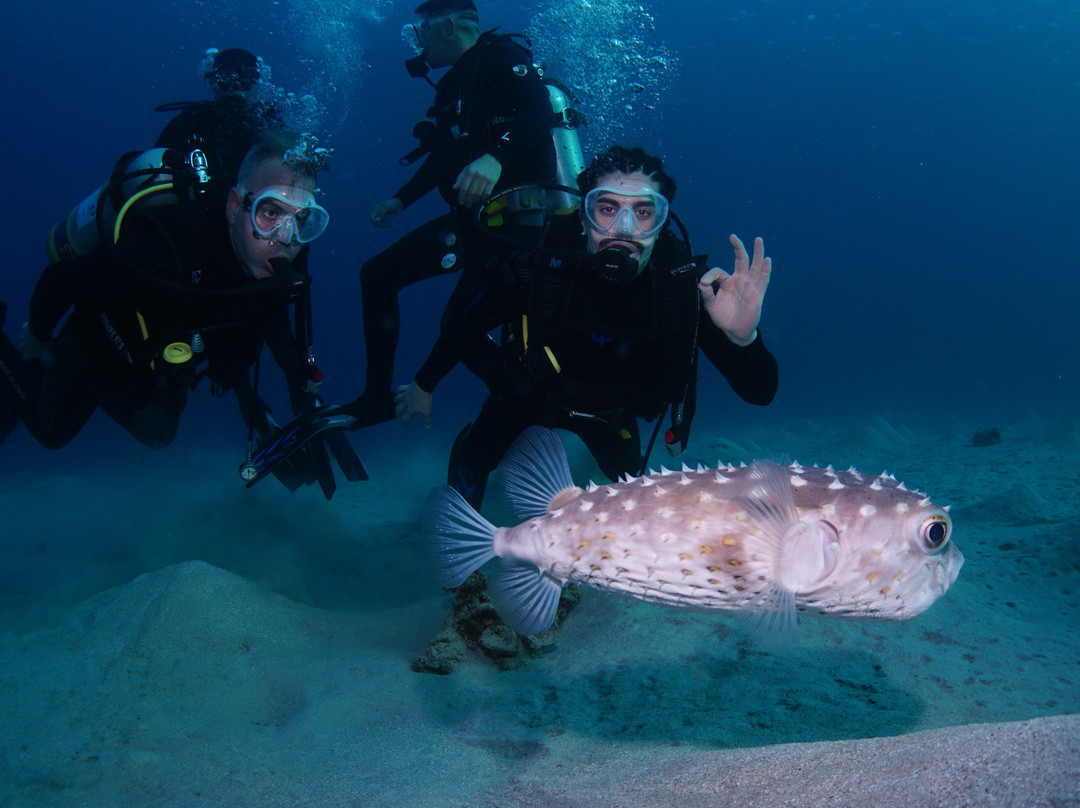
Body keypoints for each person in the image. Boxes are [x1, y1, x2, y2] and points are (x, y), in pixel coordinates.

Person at [396, 145, 779, 509]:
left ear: (661, 225)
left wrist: (742, 338)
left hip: (612, 417)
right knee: (473, 458)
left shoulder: (684, 292)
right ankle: (463, 565)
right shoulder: (537, 269)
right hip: (527, 393)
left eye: (644, 212)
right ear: (583, 217)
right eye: (607, 208)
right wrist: (424, 384)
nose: (623, 229)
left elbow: (761, 393)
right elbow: (462, 327)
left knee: (632, 498)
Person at [0, 131, 361, 498]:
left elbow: (268, 327)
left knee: (157, 433)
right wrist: (40, 335)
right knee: (49, 434)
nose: (287, 238)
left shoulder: (275, 263)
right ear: (235, 206)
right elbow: (60, 279)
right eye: (270, 213)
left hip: (156, 363)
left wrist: (302, 396)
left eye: (303, 221)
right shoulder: (163, 247)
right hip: (98, 342)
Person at [350, 0, 559, 425]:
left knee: (458, 324)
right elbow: (445, 156)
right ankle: (375, 398)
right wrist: (401, 199)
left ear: (446, 27)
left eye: (421, 31)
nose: (418, 41)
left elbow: (539, 113)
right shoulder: (450, 90)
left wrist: (496, 157)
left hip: (519, 224)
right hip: (473, 223)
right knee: (376, 274)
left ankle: (528, 406)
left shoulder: (503, 56)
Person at [154, 47, 284, 202]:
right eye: (226, 78)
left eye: (244, 79)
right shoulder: (189, 122)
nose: (234, 86)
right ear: (214, 82)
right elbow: (152, 168)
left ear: (254, 83)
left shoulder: (267, 127)